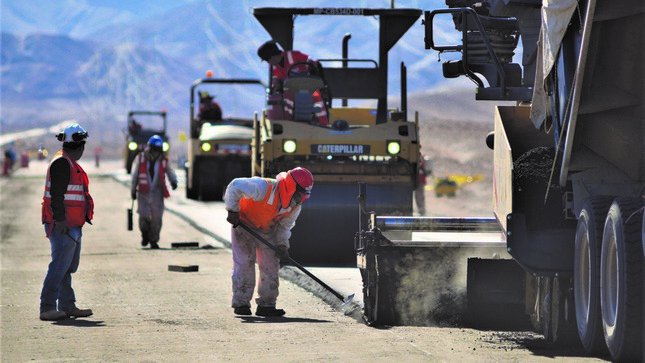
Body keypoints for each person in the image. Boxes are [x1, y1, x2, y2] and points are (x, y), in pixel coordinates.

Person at [224, 167, 314, 317]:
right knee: (245, 262)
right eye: (300, 193)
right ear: (291, 186)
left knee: (271, 265)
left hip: (267, 231)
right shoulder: (264, 187)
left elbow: (285, 227)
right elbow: (235, 186)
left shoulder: (295, 206)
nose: (301, 198)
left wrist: (282, 245)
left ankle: (267, 305)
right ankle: (241, 303)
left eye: (304, 194)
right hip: (243, 225)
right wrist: (232, 211)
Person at [39, 123, 94, 321]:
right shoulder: (62, 163)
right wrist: (60, 220)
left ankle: (67, 305)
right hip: (62, 224)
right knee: (59, 266)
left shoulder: (67, 162)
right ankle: (47, 307)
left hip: (71, 224)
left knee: (66, 267)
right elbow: (56, 195)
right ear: (80, 147)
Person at [257, 40, 329, 126]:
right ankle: (288, 125)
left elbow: (313, 63)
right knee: (285, 99)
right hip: (291, 91)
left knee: (317, 97)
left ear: (272, 57)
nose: (268, 63)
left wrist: (313, 72)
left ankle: (323, 124)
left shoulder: (294, 56)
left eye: (266, 60)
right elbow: (276, 79)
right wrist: (276, 85)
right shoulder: (275, 67)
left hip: (310, 88)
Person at [130, 135, 178, 249]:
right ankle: (145, 234)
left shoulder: (163, 160)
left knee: (157, 218)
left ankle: (153, 240)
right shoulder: (141, 158)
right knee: (144, 215)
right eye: (154, 149)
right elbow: (135, 175)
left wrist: (174, 181)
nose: (156, 152)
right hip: (143, 192)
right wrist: (132, 190)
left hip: (157, 192)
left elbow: (170, 171)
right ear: (150, 148)